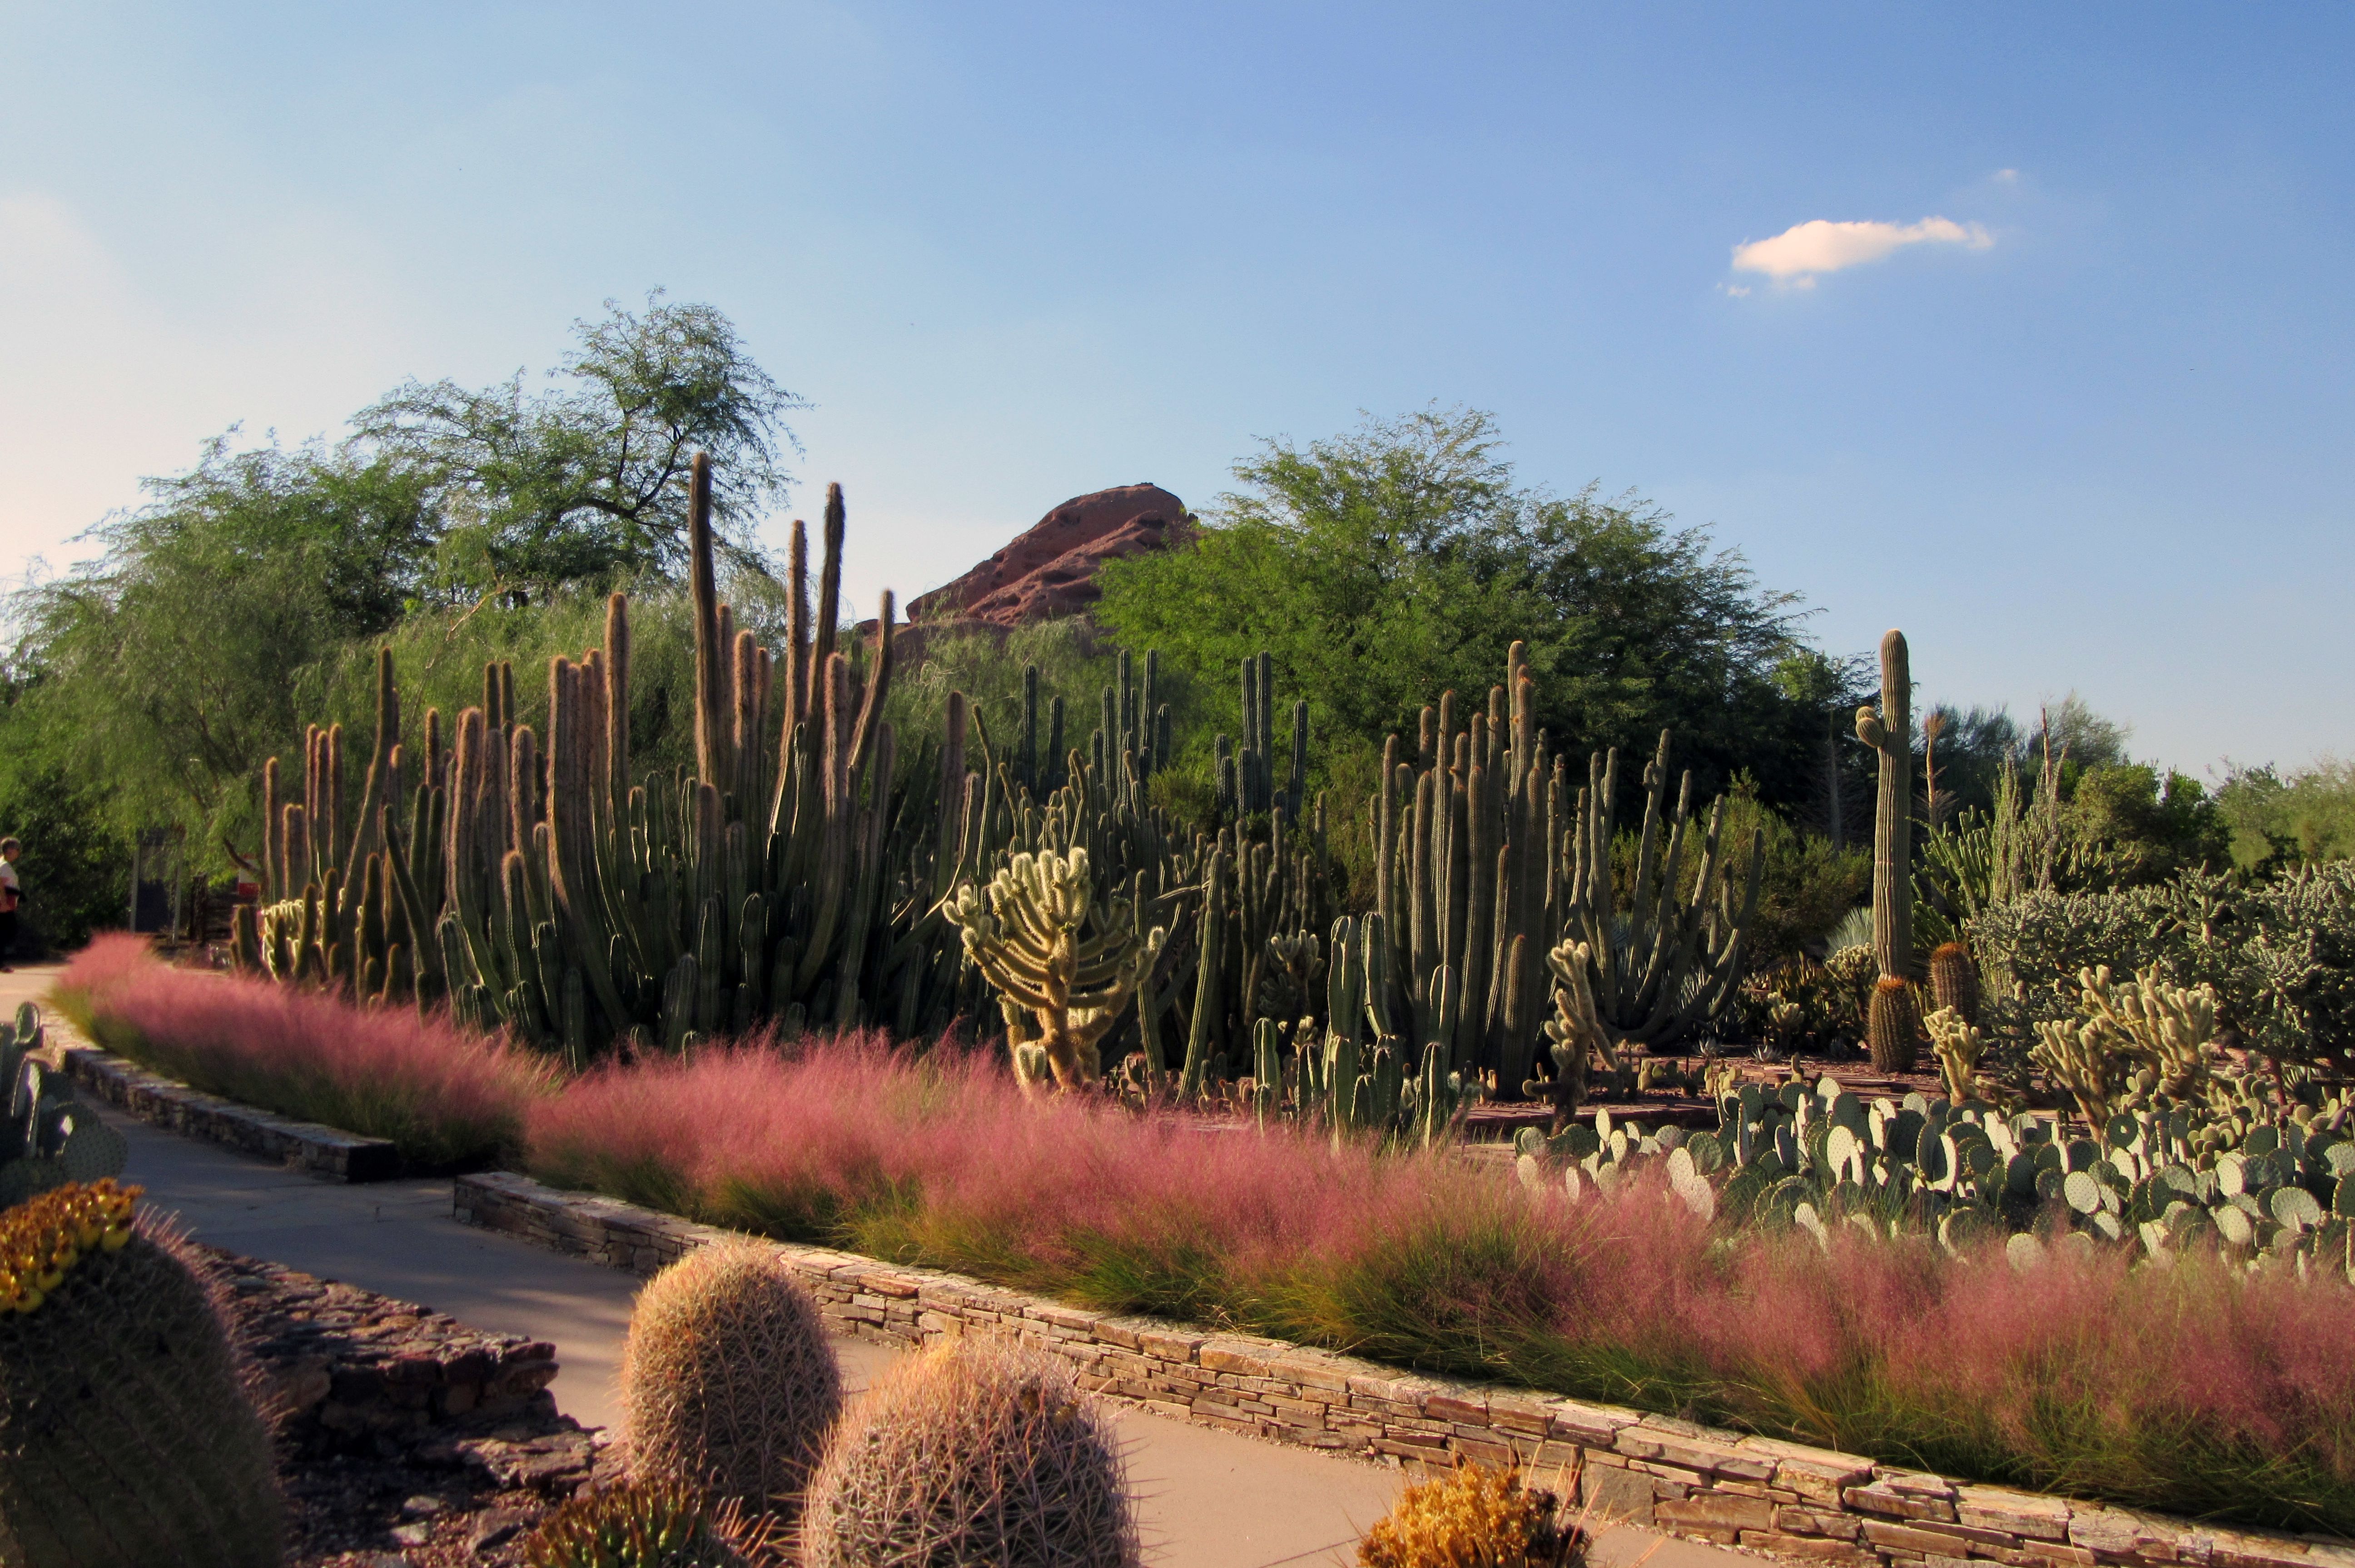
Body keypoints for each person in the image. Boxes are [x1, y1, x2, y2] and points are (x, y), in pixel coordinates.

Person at [0, 837, 20, 972]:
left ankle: (1, 963)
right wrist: (4, 902)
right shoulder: (4, 866)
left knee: (7, 932)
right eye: (16, 850)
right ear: (10, 851)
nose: (18, 853)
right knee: (8, 932)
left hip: (7, 902)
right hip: (4, 903)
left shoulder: (4, 864)